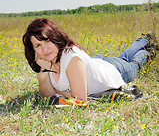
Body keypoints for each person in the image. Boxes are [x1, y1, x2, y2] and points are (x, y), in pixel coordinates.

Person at [22, 18, 158, 102]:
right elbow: (47, 95)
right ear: (33, 50)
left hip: (113, 71)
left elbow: (79, 100)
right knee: (123, 58)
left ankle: (147, 49)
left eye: (47, 41)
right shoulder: (45, 63)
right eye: (38, 45)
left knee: (132, 65)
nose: (45, 49)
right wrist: (42, 74)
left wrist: (58, 92)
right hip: (96, 63)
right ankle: (144, 41)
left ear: (55, 37)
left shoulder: (72, 58)